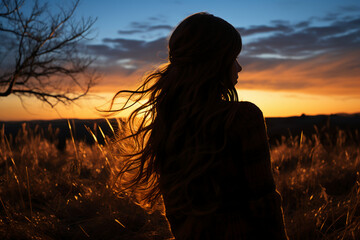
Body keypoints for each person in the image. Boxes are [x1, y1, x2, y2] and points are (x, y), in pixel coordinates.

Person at [111, 12, 288, 240]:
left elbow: (175, 213)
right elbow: (264, 202)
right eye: (234, 58)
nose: (239, 67)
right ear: (215, 62)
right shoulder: (243, 117)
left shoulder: (168, 124)